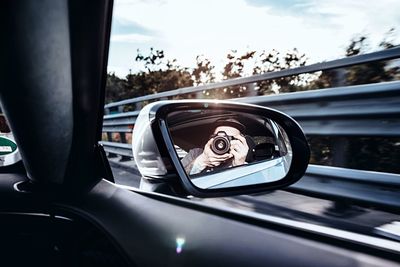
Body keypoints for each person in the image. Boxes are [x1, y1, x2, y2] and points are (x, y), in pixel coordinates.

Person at [181, 118, 251, 175]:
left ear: (241, 142)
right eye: (218, 137)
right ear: (211, 139)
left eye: (230, 138)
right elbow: (177, 178)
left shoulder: (245, 166)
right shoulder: (195, 154)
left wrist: (238, 166)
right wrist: (202, 161)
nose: (223, 142)